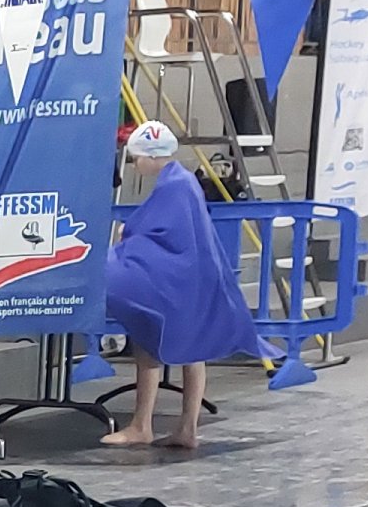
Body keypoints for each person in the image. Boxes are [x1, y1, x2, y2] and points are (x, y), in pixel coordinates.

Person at [101, 121, 259, 453]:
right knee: (193, 351)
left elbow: (154, 228)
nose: (134, 165)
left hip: (180, 279)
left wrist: (129, 232)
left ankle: (142, 425)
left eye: (135, 158)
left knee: (149, 343)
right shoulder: (183, 181)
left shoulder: (174, 186)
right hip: (196, 276)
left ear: (150, 156)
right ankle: (187, 428)